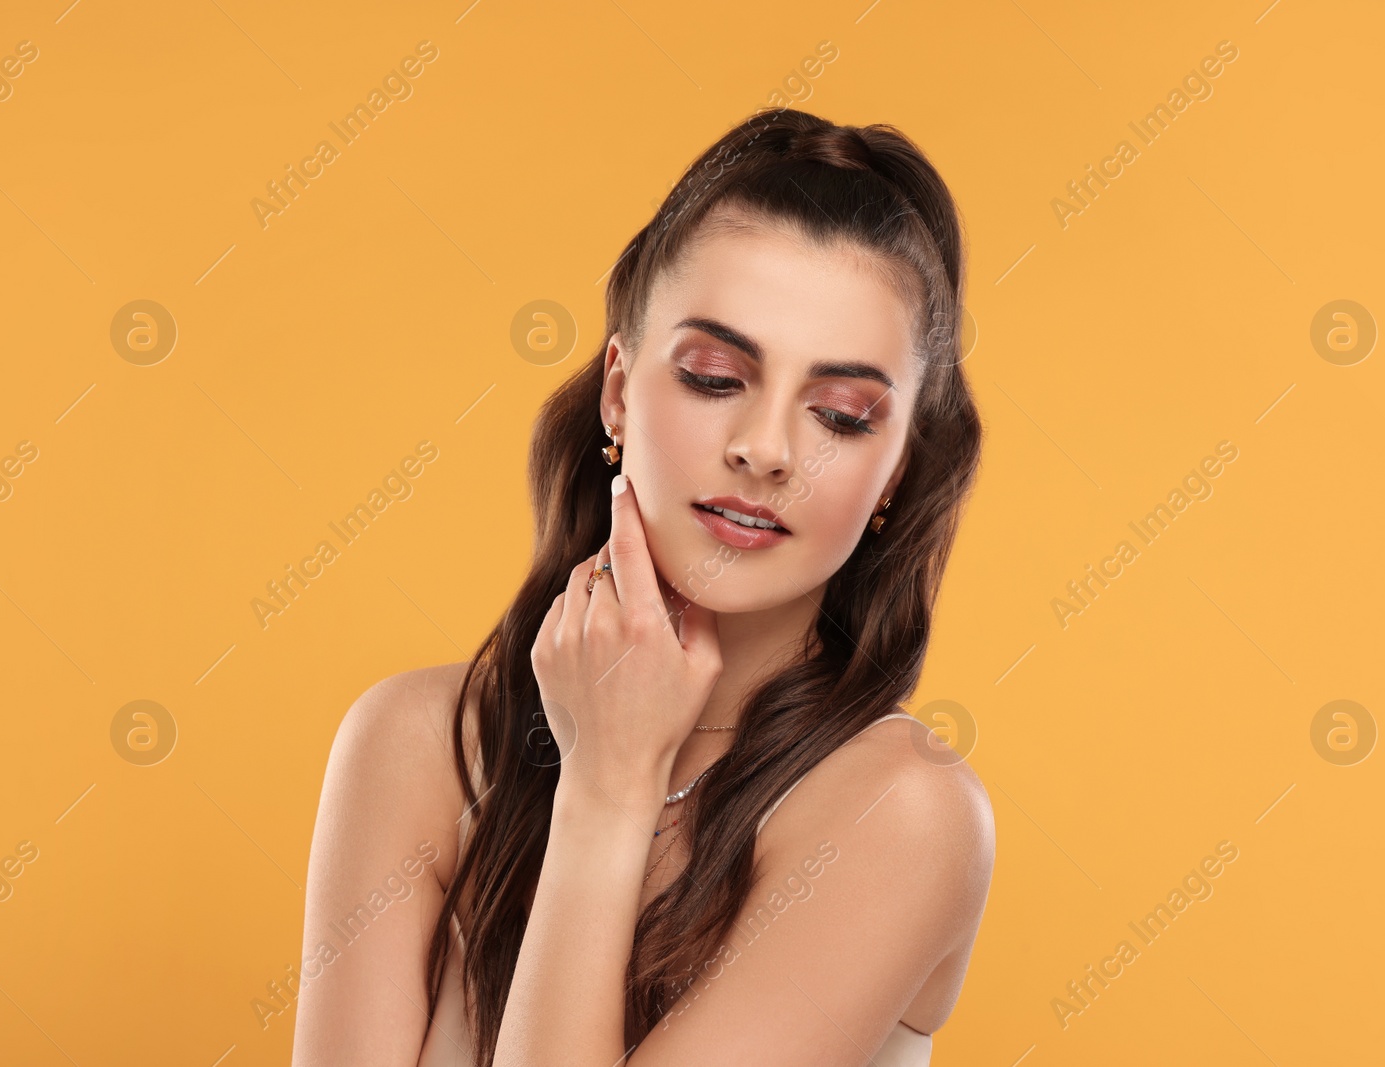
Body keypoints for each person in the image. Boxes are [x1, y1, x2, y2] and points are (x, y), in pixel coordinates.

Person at [292, 107, 994, 1067]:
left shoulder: (899, 813)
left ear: (901, 472)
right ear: (618, 391)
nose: (766, 448)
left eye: (838, 414)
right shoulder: (418, 743)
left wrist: (609, 783)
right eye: (714, 376)